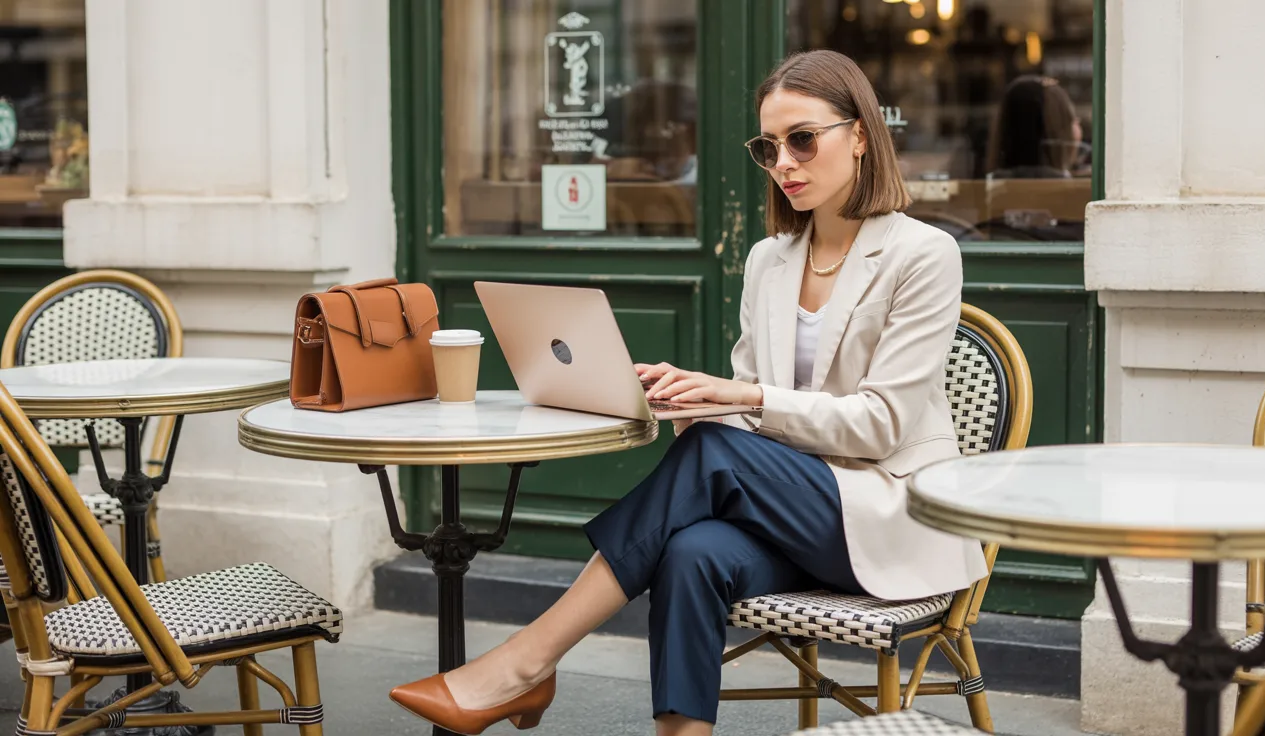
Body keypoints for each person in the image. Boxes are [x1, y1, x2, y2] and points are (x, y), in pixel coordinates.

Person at [388, 49, 987, 736]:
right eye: (769, 147)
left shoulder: (923, 254)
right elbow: (751, 425)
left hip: (888, 519)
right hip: (795, 512)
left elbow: (879, 426)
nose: (784, 163)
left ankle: (529, 660)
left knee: (711, 453)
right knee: (690, 550)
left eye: (802, 139)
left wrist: (742, 399)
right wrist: (694, 400)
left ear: (858, 135)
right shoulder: (770, 260)